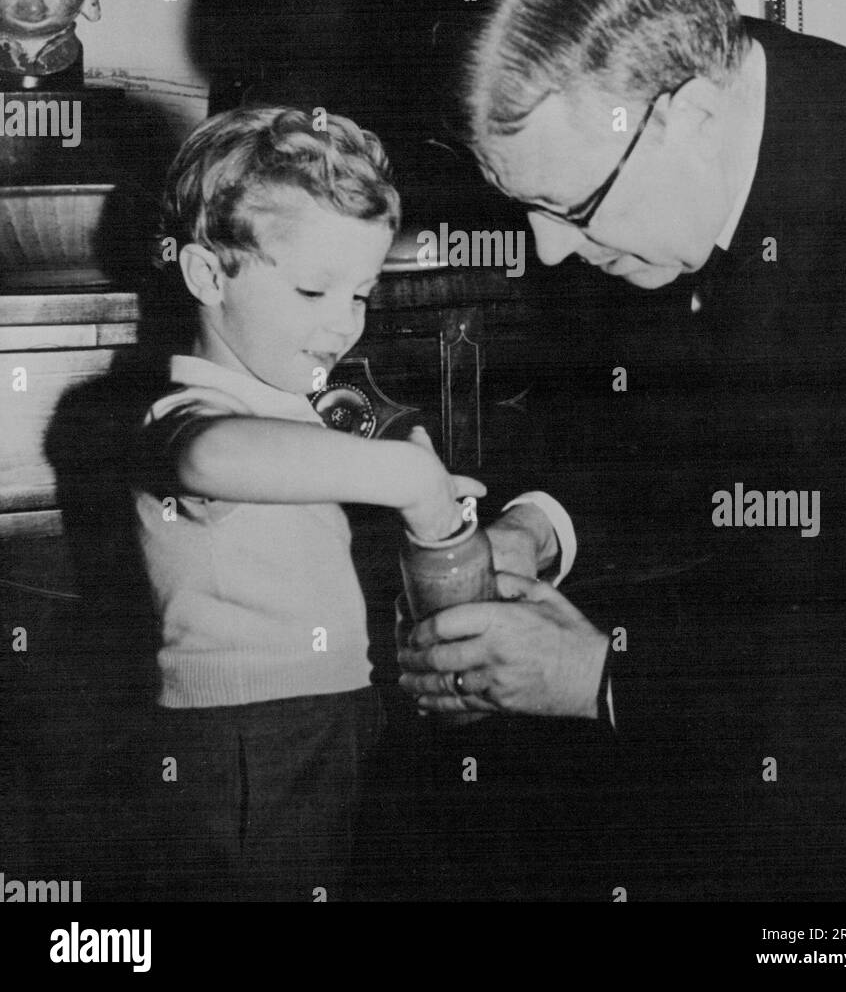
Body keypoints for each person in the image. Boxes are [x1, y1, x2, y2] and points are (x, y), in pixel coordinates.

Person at [398, 0, 846, 900]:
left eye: (569, 210)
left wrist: (601, 679)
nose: (550, 251)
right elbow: (628, 435)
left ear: (685, 109)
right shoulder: (664, 162)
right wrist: (528, 532)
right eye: (525, 211)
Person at [132, 105, 563, 901]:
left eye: (360, 294)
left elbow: (399, 470)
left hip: (336, 708)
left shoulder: (311, 401)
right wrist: (404, 482)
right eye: (312, 289)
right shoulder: (185, 414)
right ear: (206, 275)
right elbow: (210, 457)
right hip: (245, 737)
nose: (343, 324)